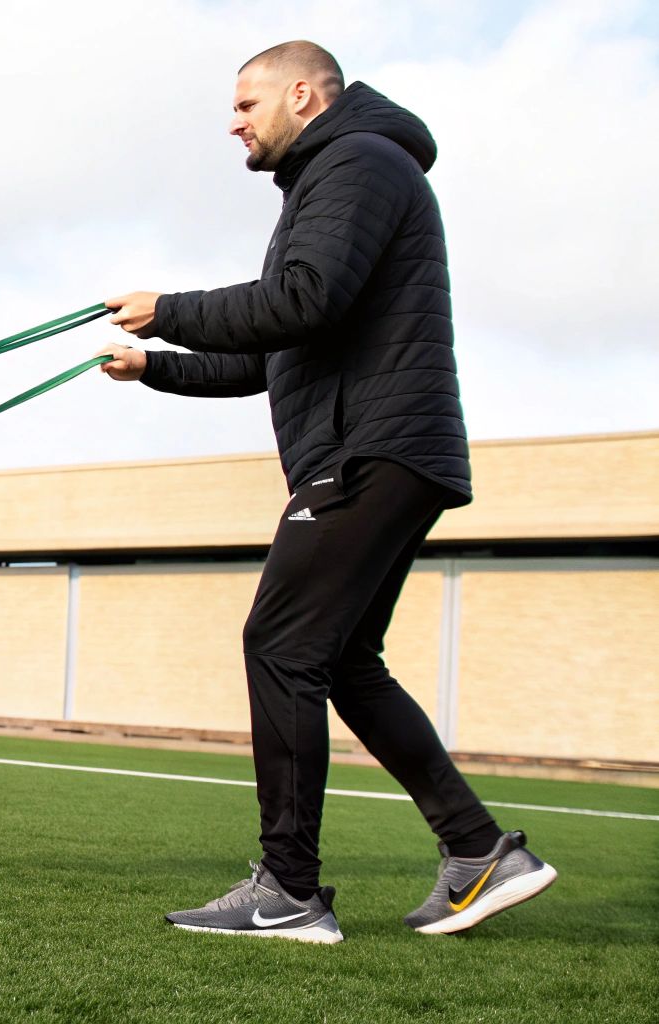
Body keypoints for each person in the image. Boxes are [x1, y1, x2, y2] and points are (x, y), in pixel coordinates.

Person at [96, 41, 555, 943]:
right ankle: (479, 852)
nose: (233, 122)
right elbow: (277, 352)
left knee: (280, 644)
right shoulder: (337, 175)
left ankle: (290, 890)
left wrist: (173, 306)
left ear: (303, 95)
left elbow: (299, 299)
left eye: (245, 103)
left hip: (367, 450)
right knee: (342, 661)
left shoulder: (356, 162)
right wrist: (154, 364)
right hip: (380, 449)